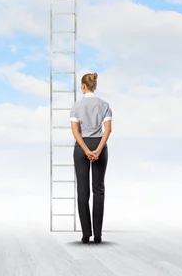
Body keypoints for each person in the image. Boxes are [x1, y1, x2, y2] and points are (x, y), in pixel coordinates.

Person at [69, 72, 112, 244]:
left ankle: (86, 234)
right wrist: (98, 150)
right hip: (100, 145)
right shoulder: (105, 105)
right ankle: (98, 235)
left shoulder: (76, 106)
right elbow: (107, 130)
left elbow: (75, 132)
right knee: (98, 190)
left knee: (83, 190)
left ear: (83, 86)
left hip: (82, 147)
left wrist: (86, 150)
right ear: (95, 86)